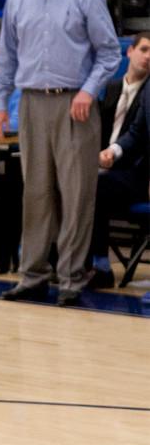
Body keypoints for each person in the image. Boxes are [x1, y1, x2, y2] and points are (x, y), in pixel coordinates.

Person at [0, 0, 122, 307]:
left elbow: (110, 53)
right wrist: (0, 102)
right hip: (31, 102)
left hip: (74, 104)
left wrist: (88, 91)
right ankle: (32, 276)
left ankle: (70, 279)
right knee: (36, 193)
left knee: (77, 194)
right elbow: (7, 55)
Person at [89, 32, 150, 288]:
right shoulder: (112, 88)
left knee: (97, 188)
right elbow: (130, 132)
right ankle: (63, 258)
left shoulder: (147, 90)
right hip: (105, 163)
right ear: (129, 51)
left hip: (135, 175)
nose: (148, 57)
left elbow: (138, 138)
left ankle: (100, 263)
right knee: (73, 182)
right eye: (144, 49)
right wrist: (108, 152)